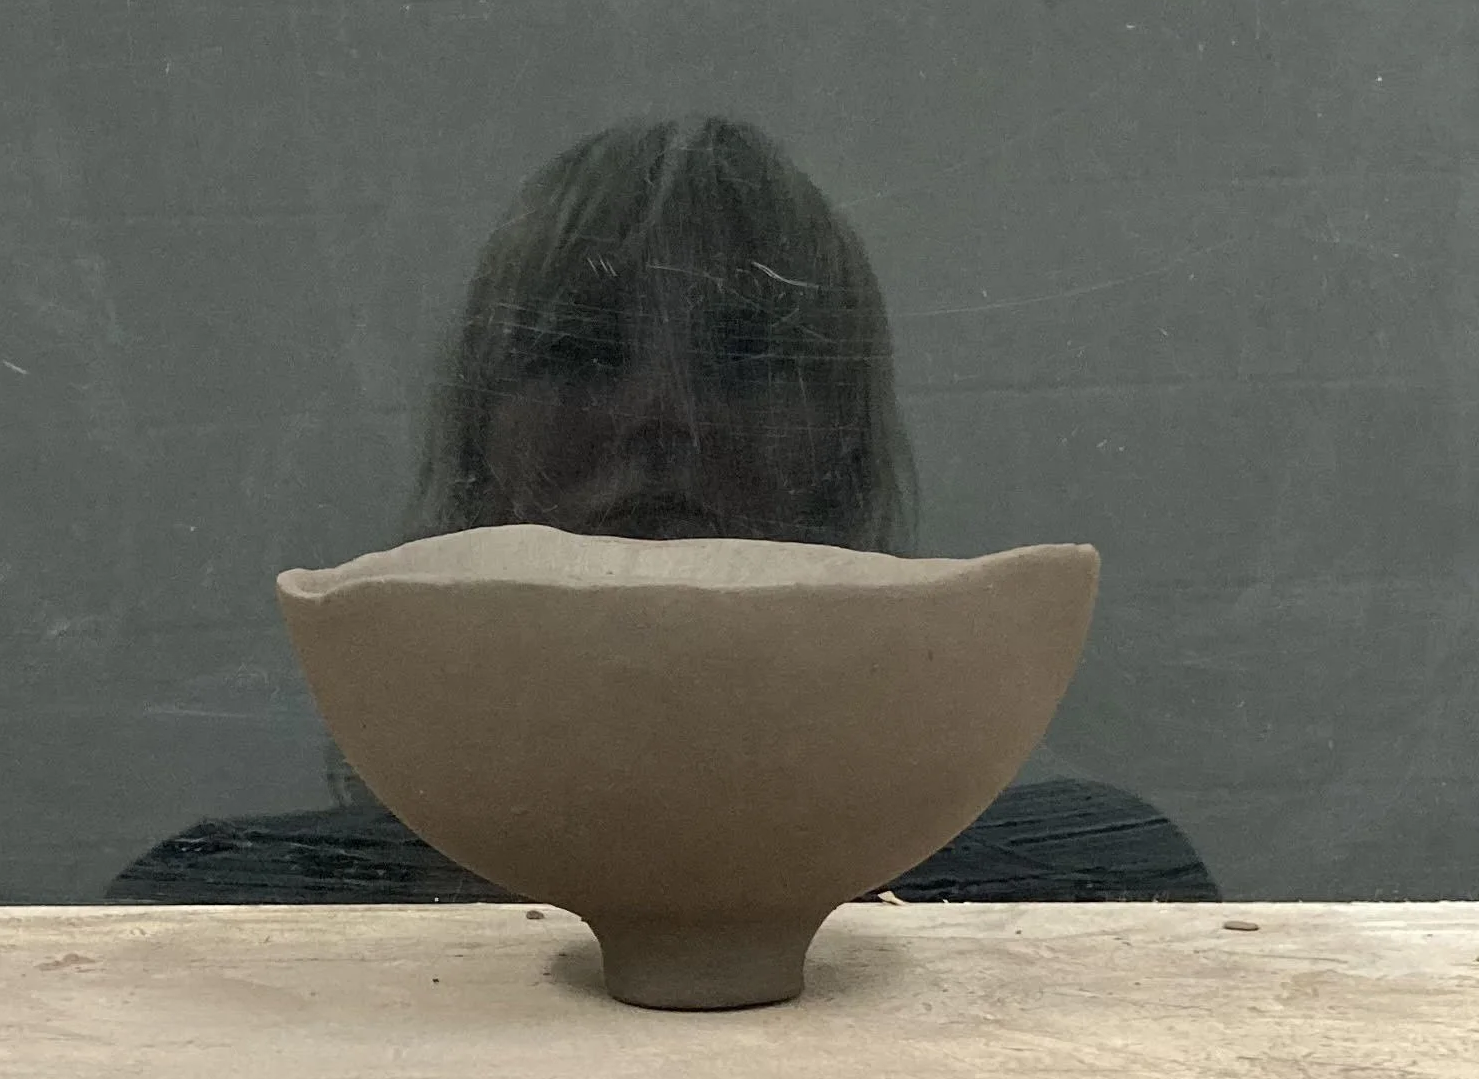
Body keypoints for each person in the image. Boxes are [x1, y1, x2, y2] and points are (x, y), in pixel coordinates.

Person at [109, 117, 1217, 905]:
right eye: (582, 353)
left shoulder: (1093, 890)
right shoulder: (220, 915)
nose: (663, 414)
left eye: (748, 357)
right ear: (480, 442)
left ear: (843, 452)